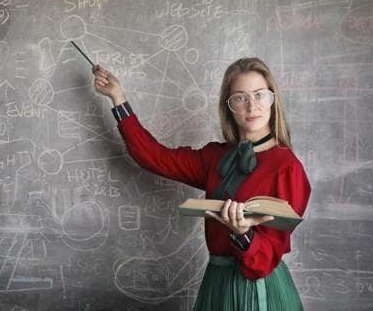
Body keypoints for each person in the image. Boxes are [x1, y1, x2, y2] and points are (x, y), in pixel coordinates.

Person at [92, 57, 311, 311]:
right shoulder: (215, 157)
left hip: (259, 290)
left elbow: (264, 262)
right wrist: (118, 98)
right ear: (229, 107)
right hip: (216, 283)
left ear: (273, 100)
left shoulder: (287, 167)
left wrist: (243, 234)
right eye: (240, 97)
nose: (252, 106)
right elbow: (154, 157)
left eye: (260, 95)